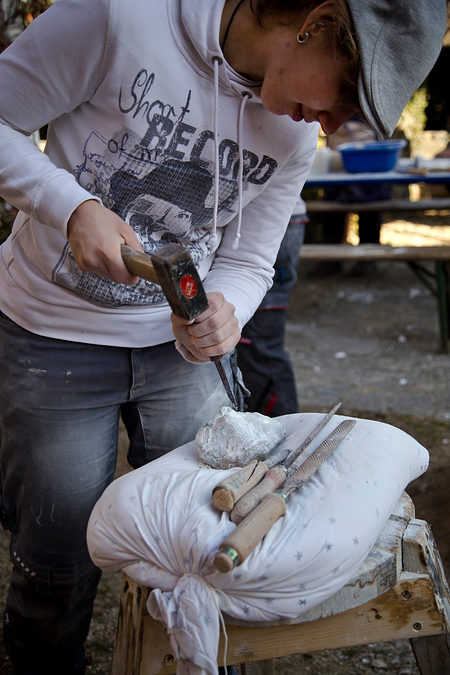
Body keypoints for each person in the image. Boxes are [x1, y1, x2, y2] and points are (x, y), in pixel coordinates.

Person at [0, 0, 445, 672]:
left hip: (173, 351)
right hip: (51, 332)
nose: (332, 124)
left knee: (216, 535)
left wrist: (227, 308)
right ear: (317, 23)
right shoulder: (120, 16)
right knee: (58, 546)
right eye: (346, 95)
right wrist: (72, 207)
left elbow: (248, 260)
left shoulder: (293, 137)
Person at [237, 195, 308, 416]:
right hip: (266, 220)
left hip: (268, 222)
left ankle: (283, 429)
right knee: (254, 344)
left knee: (259, 344)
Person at [307, 116, 393, 278]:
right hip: (340, 173)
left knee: (369, 211)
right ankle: (331, 260)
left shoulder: (369, 110)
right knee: (332, 213)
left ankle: (367, 259)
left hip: (367, 173)